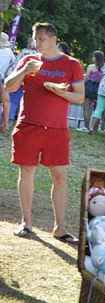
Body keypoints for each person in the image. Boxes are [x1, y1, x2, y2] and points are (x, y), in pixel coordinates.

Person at [6, 22, 84, 242]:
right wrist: (23, 71)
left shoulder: (71, 64)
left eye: (41, 38)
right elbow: (8, 88)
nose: (36, 42)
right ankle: (26, 223)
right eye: (35, 38)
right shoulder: (28, 60)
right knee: (26, 174)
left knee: (59, 177)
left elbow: (80, 97)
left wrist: (60, 92)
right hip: (28, 125)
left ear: (53, 39)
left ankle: (60, 228)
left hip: (57, 129)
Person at [80, 51, 103, 133]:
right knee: (97, 110)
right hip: (98, 88)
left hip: (90, 86)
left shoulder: (91, 67)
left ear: (96, 57)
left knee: (86, 108)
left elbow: (86, 79)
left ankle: (86, 127)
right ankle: (95, 128)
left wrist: (82, 86)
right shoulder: (103, 68)